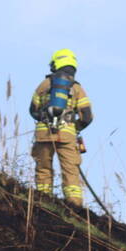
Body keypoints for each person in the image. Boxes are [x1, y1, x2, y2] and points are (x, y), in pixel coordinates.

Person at [29, 49, 92, 207]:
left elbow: (32, 110)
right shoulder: (77, 88)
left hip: (44, 134)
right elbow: (87, 116)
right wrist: (74, 127)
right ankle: (75, 208)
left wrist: (45, 119)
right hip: (67, 136)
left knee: (43, 169)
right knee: (71, 172)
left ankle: (43, 203)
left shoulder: (44, 85)